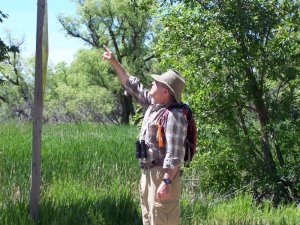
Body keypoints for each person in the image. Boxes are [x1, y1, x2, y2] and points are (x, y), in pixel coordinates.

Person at [103, 45, 188, 225]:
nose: (151, 83)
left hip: (162, 175)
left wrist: (166, 181)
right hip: (148, 173)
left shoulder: (174, 116)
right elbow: (132, 84)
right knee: (149, 220)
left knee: (163, 220)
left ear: (166, 91)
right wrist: (114, 62)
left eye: (156, 82)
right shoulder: (152, 106)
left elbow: (175, 155)